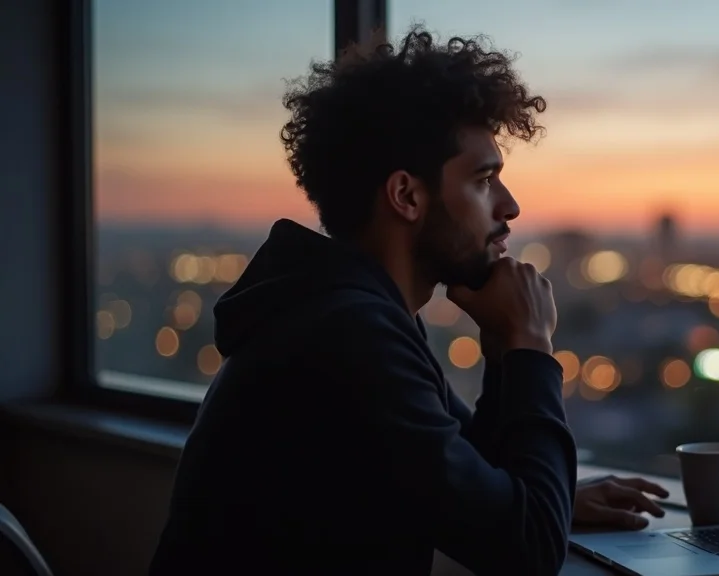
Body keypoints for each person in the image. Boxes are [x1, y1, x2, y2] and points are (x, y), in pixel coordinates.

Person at [149, 26, 668, 576]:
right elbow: (526, 552)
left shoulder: (349, 312)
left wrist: (501, 353)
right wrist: (530, 344)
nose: (510, 206)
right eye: (484, 179)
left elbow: (476, 479)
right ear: (406, 196)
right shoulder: (348, 337)